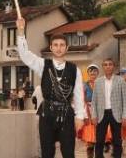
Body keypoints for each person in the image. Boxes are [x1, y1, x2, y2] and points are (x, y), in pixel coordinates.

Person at [16, 18, 85, 158]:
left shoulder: (74, 70)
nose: (59, 48)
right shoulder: (43, 65)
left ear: (67, 48)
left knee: (68, 153)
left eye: (62, 45)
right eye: (56, 45)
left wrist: (80, 117)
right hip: (46, 114)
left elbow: (78, 95)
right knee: (47, 153)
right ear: (51, 47)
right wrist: (21, 32)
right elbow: (25, 55)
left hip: (66, 115)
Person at [91, 58, 126, 158]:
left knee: (117, 140)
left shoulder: (120, 80)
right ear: (103, 67)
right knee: (99, 140)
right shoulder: (98, 82)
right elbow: (94, 100)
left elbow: (125, 99)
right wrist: (94, 115)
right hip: (101, 114)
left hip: (116, 114)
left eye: (110, 64)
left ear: (114, 66)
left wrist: (125, 116)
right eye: (105, 65)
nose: (108, 66)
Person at [80, 64, 100, 158]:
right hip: (88, 112)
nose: (93, 73)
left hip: (100, 113)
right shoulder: (84, 85)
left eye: (94, 72)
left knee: (100, 138)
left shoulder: (101, 84)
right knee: (90, 140)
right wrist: (85, 115)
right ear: (88, 73)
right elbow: (82, 101)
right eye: (91, 72)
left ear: (98, 73)